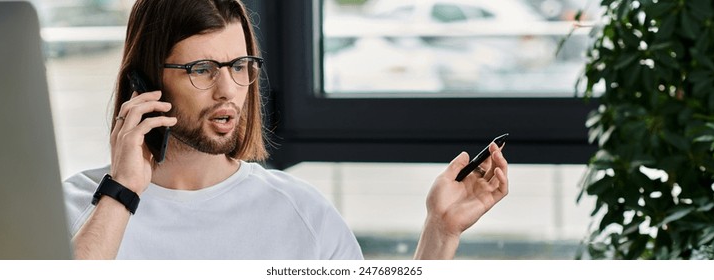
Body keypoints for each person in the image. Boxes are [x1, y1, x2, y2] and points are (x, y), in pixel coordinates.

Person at [62, 0, 509, 260]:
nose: (228, 91)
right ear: (146, 83)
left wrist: (440, 231)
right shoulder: (75, 210)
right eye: (201, 69)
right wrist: (122, 192)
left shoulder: (301, 214)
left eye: (239, 66)